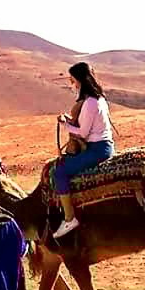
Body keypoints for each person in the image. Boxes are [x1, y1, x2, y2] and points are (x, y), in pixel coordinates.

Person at [52, 62, 115, 238]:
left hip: (97, 149)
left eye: (73, 80)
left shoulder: (90, 103)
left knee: (60, 173)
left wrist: (65, 124)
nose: (72, 84)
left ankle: (69, 217)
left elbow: (82, 133)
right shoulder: (99, 99)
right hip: (102, 146)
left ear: (80, 80)